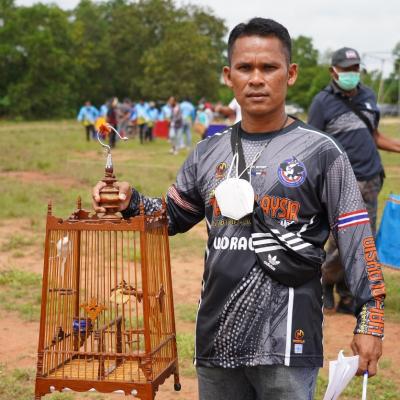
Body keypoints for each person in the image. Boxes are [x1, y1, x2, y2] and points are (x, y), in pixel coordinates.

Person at [93, 18, 384, 400]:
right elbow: (171, 216)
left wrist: (370, 321)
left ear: (290, 74)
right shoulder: (207, 152)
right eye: (245, 68)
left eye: (269, 67)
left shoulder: (321, 152)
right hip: (218, 339)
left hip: (288, 344)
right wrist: (131, 201)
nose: (257, 79)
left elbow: (357, 238)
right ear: (229, 76)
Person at [308, 47, 400, 313]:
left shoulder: (369, 96)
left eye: (356, 68)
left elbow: (374, 135)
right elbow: (313, 144)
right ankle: (325, 279)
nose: (352, 73)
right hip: (342, 180)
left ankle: (346, 293)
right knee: (345, 239)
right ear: (333, 71)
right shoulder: (322, 102)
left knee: (362, 241)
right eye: (346, 69)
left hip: (372, 178)